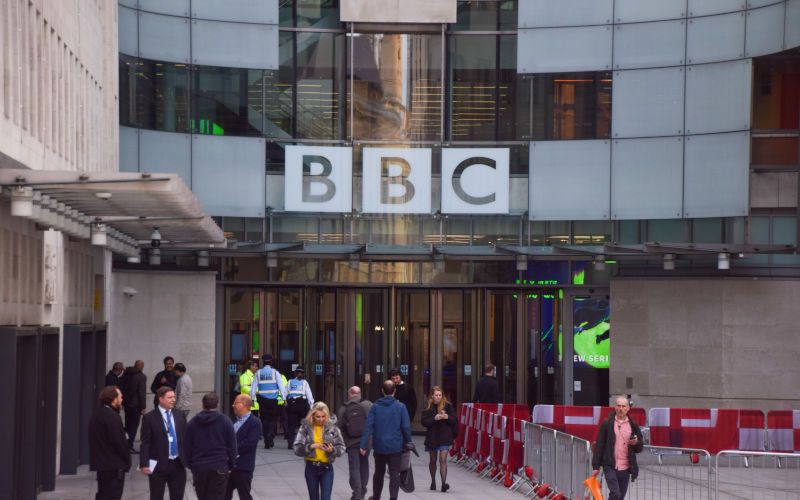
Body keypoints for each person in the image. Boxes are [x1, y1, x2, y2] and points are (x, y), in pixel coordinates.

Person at [360, 380, 412, 500]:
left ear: (382, 391)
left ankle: (376, 496)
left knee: (379, 472)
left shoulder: (375, 407)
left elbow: (368, 426)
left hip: (379, 445)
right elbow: (406, 426)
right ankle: (393, 497)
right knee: (394, 473)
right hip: (395, 445)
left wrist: (363, 444)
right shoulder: (401, 407)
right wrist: (408, 441)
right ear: (395, 391)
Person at [184, 393, 237, 500]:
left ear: (202, 405)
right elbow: (232, 445)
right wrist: (231, 464)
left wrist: (190, 464)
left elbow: (186, 446)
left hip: (199, 467)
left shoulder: (193, 422)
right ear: (217, 405)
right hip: (219, 466)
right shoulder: (225, 421)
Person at [591, 396, 644, 500]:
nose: (621, 409)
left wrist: (635, 443)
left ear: (628, 408)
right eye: (618, 406)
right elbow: (599, 445)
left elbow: (639, 447)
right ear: (615, 407)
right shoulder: (607, 423)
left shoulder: (633, 425)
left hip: (626, 467)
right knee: (616, 494)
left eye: (623, 406)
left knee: (620, 497)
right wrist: (596, 466)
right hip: (610, 465)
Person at [140, 386, 188, 500]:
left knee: (177, 496)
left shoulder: (179, 415)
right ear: (160, 399)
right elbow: (145, 442)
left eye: (174, 397)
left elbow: (186, 438)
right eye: (170, 397)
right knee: (156, 496)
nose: (173, 400)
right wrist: (144, 463)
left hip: (177, 463)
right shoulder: (149, 417)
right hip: (159, 465)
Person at [294, 401, 346, 500]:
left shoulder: (333, 428)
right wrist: (311, 446)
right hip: (311, 467)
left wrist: (332, 450)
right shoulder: (305, 428)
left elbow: (342, 447)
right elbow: (297, 448)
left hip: (327, 468)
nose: (321, 419)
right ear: (313, 416)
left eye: (323, 416)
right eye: (318, 416)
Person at [89, 386, 131, 500]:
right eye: (120, 397)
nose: (122, 399)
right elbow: (119, 443)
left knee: (103, 494)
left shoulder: (97, 415)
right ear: (114, 399)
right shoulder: (112, 417)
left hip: (102, 466)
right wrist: (127, 461)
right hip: (113, 467)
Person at [336, 386, 372, 500]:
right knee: (364, 465)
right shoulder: (368, 405)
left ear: (350, 394)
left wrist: (345, 442)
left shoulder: (343, 408)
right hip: (366, 442)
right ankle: (362, 490)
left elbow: (339, 427)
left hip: (352, 442)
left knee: (354, 467)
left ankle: (356, 493)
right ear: (359, 394)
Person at [224, 394, 261, 500]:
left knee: (244, 496)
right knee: (224, 495)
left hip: (243, 467)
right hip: (228, 466)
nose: (233, 405)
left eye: (236, 403)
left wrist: (231, 450)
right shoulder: (234, 421)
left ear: (244, 405)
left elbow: (250, 443)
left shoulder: (255, 422)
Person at [420, 386, 457, 493]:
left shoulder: (448, 406)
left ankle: (443, 483)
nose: (438, 397)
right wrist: (434, 419)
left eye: (440, 395)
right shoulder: (428, 406)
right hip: (432, 437)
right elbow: (423, 421)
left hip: (445, 436)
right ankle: (433, 481)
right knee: (433, 460)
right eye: (436, 395)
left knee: (443, 459)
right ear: (432, 396)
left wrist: (447, 417)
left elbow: (454, 419)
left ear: (442, 396)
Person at [250, 353, 287, 449]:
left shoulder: (258, 373)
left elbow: (253, 388)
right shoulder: (275, 373)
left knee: (264, 419)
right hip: (273, 400)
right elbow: (281, 387)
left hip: (262, 400)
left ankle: (266, 438)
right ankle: (270, 434)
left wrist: (252, 399)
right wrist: (284, 399)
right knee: (273, 419)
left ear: (263, 362)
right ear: (271, 362)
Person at [120, 359, 147, 453]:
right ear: (141, 366)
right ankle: (129, 445)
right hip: (136, 405)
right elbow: (141, 393)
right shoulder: (141, 376)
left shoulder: (125, 375)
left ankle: (125, 444)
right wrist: (143, 407)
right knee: (134, 426)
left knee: (127, 425)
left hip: (127, 404)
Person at [286, 365, 315, 447]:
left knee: (292, 425)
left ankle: (290, 442)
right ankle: (300, 442)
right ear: (296, 373)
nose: (300, 374)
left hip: (293, 404)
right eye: (299, 372)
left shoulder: (290, 382)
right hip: (301, 404)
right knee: (302, 425)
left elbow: (285, 393)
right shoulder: (304, 383)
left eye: (301, 373)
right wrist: (312, 407)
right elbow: (310, 396)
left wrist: (284, 401)